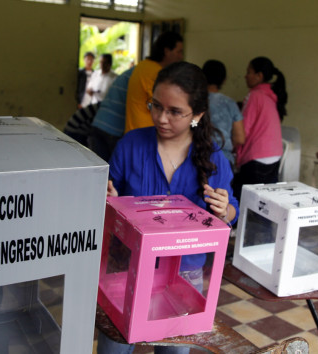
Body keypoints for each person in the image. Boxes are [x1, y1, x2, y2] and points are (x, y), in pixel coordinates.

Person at [100, 62, 239, 354]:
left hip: (184, 275)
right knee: (115, 347)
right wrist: (108, 197)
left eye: (175, 112)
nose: (161, 118)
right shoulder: (131, 145)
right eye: (156, 106)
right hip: (127, 270)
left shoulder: (213, 158)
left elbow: (231, 213)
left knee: (173, 350)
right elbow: (111, 201)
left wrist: (225, 210)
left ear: (197, 115)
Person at [232, 56, 288, 196]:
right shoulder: (270, 95)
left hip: (257, 157)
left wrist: (235, 152)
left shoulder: (255, 95)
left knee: (240, 198)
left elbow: (243, 132)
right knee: (266, 202)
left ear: (259, 76)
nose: (245, 76)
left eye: (249, 72)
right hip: (274, 155)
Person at [124, 31, 184, 133]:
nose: (181, 56)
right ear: (166, 51)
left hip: (135, 130)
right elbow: (162, 104)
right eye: (179, 52)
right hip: (144, 133)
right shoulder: (154, 72)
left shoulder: (143, 65)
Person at [202, 59, 244, 169]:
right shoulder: (229, 103)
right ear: (224, 80)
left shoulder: (194, 101)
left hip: (198, 157)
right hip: (224, 159)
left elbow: (190, 126)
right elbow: (240, 138)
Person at [87, 66, 135, 162]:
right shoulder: (144, 74)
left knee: (100, 169)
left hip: (99, 124)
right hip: (114, 130)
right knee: (112, 172)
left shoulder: (130, 73)